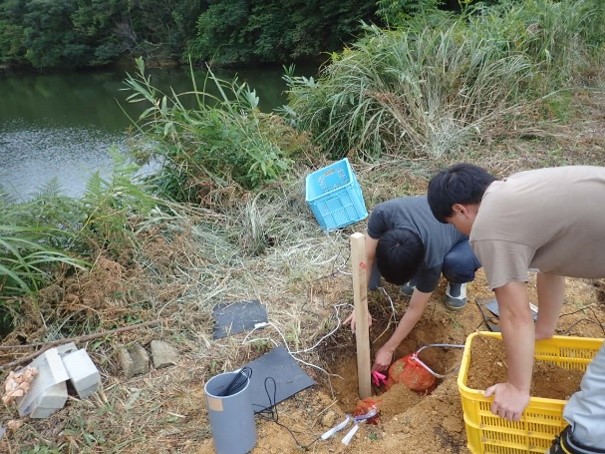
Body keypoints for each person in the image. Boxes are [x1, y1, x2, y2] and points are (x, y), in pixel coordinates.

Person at [426, 163, 605, 454]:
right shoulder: (518, 190)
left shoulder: (489, 226)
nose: (456, 231)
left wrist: (518, 389)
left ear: (460, 210)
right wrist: (544, 328)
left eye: (451, 223)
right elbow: (551, 267)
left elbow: (514, 314)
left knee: (595, 408)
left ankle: (582, 445)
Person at [344, 195, 481, 372]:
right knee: (374, 275)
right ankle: (412, 279)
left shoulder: (433, 259)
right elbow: (367, 257)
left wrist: (389, 348)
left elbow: (415, 309)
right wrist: (360, 305)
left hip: (467, 236)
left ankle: (457, 281)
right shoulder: (382, 214)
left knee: (457, 263)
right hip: (427, 228)